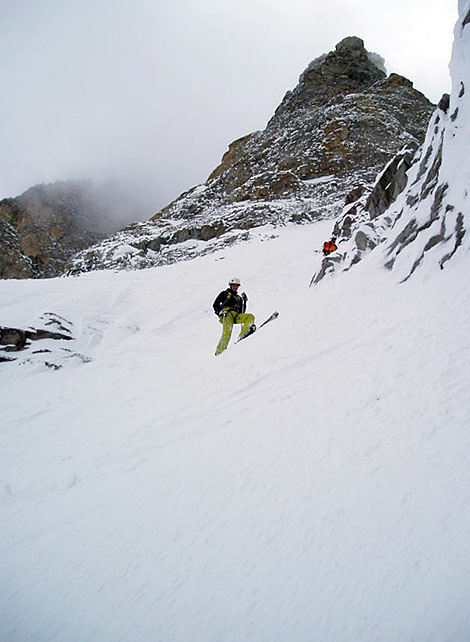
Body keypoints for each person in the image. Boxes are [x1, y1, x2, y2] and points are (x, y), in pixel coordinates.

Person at [213, 278, 256, 355]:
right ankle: (219, 352)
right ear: (230, 285)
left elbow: (242, 311)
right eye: (234, 285)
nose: (236, 287)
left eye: (237, 286)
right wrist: (220, 312)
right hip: (227, 314)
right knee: (227, 332)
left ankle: (243, 334)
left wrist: (244, 301)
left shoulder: (238, 298)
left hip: (236, 315)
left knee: (250, 317)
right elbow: (215, 304)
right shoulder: (224, 293)